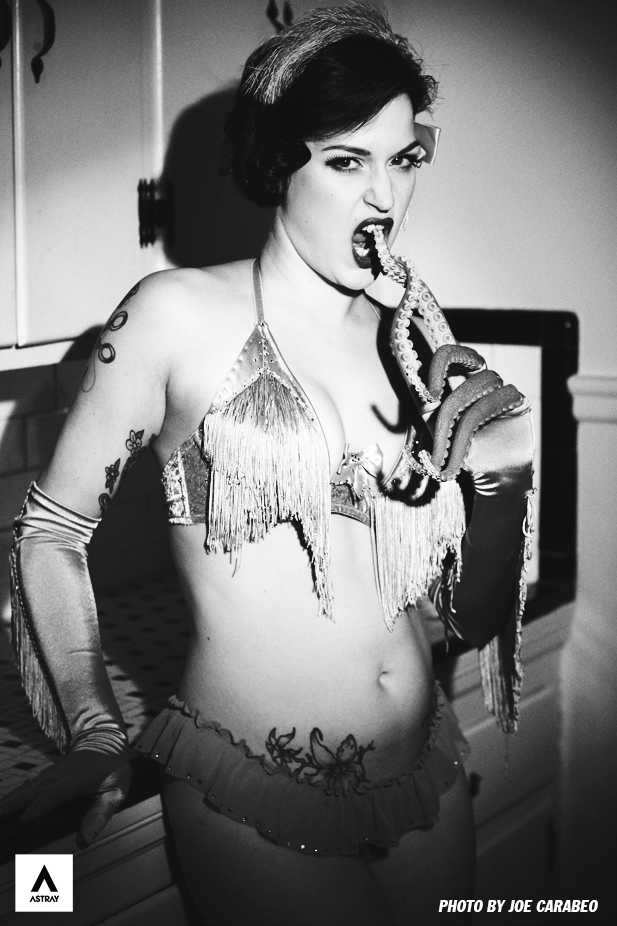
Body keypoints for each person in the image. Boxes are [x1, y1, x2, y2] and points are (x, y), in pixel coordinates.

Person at [1, 4, 534, 924]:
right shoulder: (173, 315)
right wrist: (93, 729)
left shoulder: (412, 343)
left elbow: (467, 617)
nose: (383, 197)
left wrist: (503, 484)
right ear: (277, 162)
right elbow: (50, 531)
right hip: (250, 785)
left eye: (402, 159)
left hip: (427, 767)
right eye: (345, 161)